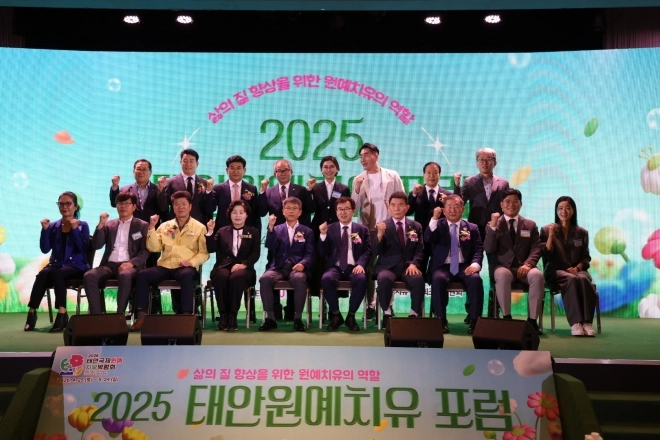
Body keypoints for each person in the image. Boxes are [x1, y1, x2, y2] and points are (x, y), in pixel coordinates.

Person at [129, 191, 209, 331]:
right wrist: (152, 228)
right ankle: (141, 317)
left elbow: (204, 253)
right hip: (165, 266)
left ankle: (186, 317)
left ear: (190, 206)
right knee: (142, 275)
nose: (180, 207)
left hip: (185, 267)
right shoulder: (165, 226)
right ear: (173, 207)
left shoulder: (199, 227)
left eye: (183, 204)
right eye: (176, 204)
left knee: (186, 275)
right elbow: (154, 248)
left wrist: (191, 262)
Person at [454, 148, 510, 321]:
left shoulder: (504, 183)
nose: (485, 163)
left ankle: (495, 310)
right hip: (474, 231)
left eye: (489, 159)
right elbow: (458, 202)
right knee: (471, 270)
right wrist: (456, 185)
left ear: (495, 162)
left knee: (495, 270)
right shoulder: (469, 182)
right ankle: (471, 311)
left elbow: (507, 206)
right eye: (481, 159)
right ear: (476, 162)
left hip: (496, 231)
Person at [352, 143, 404, 320]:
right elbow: (353, 207)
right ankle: (370, 306)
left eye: (366, 155)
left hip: (389, 227)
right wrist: (356, 189)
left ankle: (388, 305)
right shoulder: (359, 179)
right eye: (361, 156)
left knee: (389, 267)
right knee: (368, 268)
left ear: (376, 155)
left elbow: (402, 199)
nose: (363, 159)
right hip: (368, 230)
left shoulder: (392, 175)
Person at [24, 191, 90, 332]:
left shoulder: (82, 225)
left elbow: (83, 248)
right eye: (61, 204)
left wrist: (74, 230)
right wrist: (45, 230)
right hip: (57, 264)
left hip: (77, 266)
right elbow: (45, 249)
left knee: (57, 274)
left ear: (75, 206)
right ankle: (31, 312)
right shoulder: (53, 226)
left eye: (68, 203)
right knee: (43, 274)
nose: (64, 207)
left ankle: (62, 313)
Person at [258, 158, 314, 320]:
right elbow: (261, 211)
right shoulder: (269, 191)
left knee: (296, 275)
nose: (282, 173)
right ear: (274, 173)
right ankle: (274, 312)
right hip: (277, 238)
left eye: (286, 170)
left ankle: (292, 311)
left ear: (291, 172)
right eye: (279, 171)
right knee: (272, 273)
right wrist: (262, 192)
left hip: (298, 240)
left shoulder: (301, 190)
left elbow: (310, 209)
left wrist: (310, 191)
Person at [483, 188, 544, 334]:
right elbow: (489, 249)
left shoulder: (530, 225)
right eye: (508, 201)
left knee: (537, 276)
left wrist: (528, 264)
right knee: (502, 275)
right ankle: (507, 318)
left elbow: (536, 248)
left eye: (515, 201)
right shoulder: (493, 224)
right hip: (503, 267)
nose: (511, 205)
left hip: (525, 266)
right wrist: (493, 226)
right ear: (501, 204)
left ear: (521, 204)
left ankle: (532, 321)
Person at [425, 195, 484, 334]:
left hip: (464, 266)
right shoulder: (437, 225)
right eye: (449, 207)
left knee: (475, 280)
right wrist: (434, 218)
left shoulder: (472, 228)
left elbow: (478, 250)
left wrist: (475, 265)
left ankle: (475, 320)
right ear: (444, 210)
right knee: (438, 279)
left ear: (462, 209)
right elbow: (427, 238)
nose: (452, 210)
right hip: (442, 267)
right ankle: (440, 320)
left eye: (456, 206)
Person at [84, 191, 149, 315]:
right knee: (89, 276)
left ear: (134, 207)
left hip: (130, 265)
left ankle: (119, 315)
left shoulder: (142, 225)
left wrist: (131, 263)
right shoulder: (109, 225)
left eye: (127, 203)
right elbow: (97, 245)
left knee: (125, 275)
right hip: (109, 265)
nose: (123, 206)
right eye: (120, 203)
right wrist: (101, 225)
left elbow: (145, 250)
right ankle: (96, 316)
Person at [540, 196, 598, 337]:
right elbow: (546, 254)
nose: (563, 211)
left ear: (573, 211)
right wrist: (551, 236)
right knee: (571, 279)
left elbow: (586, 258)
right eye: (560, 208)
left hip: (577, 271)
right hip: (555, 272)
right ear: (556, 211)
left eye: (567, 208)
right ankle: (576, 323)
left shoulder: (582, 232)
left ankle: (587, 323)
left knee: (583, 279)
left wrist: (577, 268)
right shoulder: (547, 230)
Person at [206, 200, 260, 331]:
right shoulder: (222, 231)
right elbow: (211, 248)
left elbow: (255, 254)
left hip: (244, 269)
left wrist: (244, 264)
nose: (238, 215)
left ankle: (232, 316)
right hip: (224, 266)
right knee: (220, 276)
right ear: (229, 215)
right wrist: (210, 231)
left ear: (246, 215)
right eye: (234, 212)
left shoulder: (253, 232)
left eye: (241, 212)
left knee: (237, 277)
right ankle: (223, 315)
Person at [318, 197, 371, 332]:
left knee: (361, 279)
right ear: (336, 212)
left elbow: (367, 251)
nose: (343, 212)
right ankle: (336, 315)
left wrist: (361, 265)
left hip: (354, 266)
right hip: (335, 266)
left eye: (346, 209)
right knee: (326, 278)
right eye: (340, 209)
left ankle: (351, 316)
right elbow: (322, 252)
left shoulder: (362, 229)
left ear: (353, 211)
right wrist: (323, 235)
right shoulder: (329, 228)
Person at [373, 191, 425, 327]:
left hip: (408, 267)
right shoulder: (382, 225)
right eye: (393, 205)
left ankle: (414, 313)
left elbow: (420, 249)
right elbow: (375, 251)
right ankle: (387, 313)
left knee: (418, 280)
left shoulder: (416, 226)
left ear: (407, 208)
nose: (396, 208)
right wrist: (379, 235)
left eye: (400, 205)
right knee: (384, 279)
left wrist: (414, 264)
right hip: (388, 267)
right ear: (388, 207)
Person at [308, 155, 351, 301]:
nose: (328, 170)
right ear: (321, 170)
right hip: (317, 230)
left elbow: (346, 210)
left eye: (332, 166)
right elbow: (311, 208)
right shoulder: (315, 188)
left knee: (335, 263)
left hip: (337, 231)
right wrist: (309, 191)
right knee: (319, 264)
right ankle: (322, 301)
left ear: (337, 169)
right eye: (325, 167)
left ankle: (334, 302)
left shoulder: (343, 189)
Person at [407, 161, 453, 277]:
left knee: (438, 273)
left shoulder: (447, 195)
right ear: (423, 175)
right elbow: (408, 211)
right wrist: (413, 195)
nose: (431, 176)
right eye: (428, 172)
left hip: (440, 239)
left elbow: (453, 215)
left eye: (435, 173)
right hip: (421, 238)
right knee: (419, 272)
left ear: (439, 175)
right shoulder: (416, 193)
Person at [207, 155, 260, 233]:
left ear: (244, 170)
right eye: (232, 168)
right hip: (223, 231)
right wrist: (208, 191)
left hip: (246, 231)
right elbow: (210, 209)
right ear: (227, 170)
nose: (235, 171)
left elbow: (256, 214)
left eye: (239, 168)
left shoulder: (251, 189)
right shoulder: (218, 188)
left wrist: (257, 234)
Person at [157, 148, 213, 224]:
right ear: (180, 162)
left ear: (197, 164)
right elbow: (163, 207)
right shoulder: (170, 182)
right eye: (185, 161)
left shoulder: (204, 183)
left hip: (197, 225)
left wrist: (209, 191)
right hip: (176, 225)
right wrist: (161, 190)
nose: (188, 164)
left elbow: (209, 208)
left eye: (191, 161)